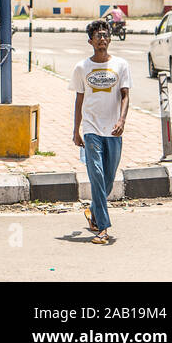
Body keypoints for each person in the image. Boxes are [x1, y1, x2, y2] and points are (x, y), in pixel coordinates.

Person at [71, 19, 131, 245]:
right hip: (91, 129)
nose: (102, 39)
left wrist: (122, 120)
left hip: (114, 130)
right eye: (98, 36)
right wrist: (76, 130)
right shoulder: (81, 68)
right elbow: (79, 99)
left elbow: (125, 95)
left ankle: (94, 211)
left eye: (105, 35)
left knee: (108, 178)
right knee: (96, 174)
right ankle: (103, 228)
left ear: (110, 38)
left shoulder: (121, 65)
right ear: (90, 41)